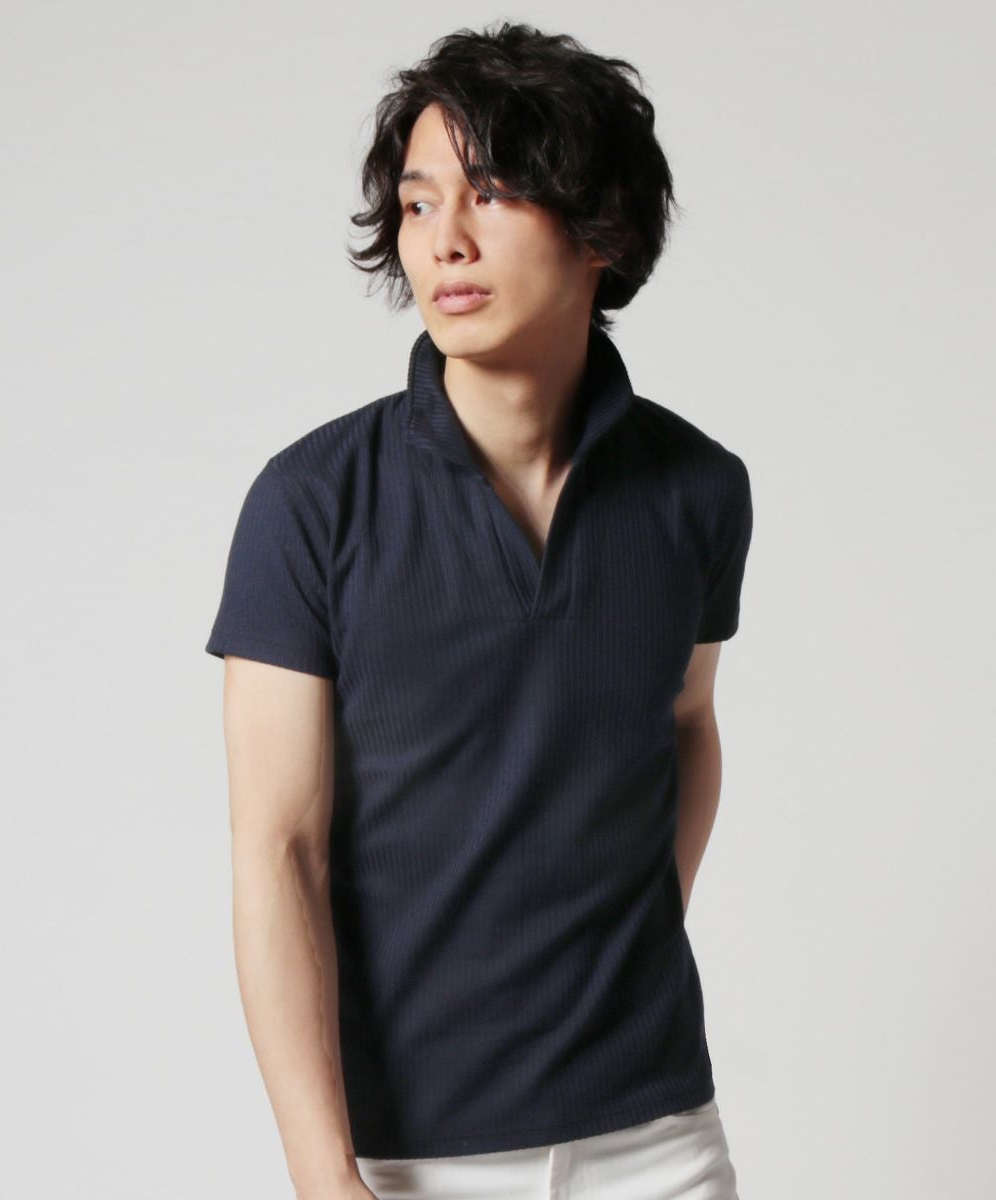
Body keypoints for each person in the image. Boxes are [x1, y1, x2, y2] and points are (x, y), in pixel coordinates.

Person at [205, 21, 752, 1200]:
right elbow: (277, 850)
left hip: (659, 1134)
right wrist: (321, 1172)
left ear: (601, 227)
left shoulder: (699, 491)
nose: (443, 239)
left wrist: (617, 947)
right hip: (409, 1153)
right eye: (417, 203)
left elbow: (686, 724)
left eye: (492, 193)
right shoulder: (312, 503)